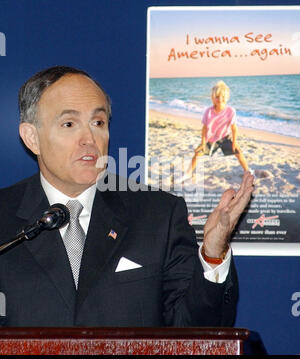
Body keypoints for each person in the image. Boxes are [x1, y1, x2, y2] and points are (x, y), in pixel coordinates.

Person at [0, 66, 254, 327]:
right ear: (32, 138)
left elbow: (195, 332)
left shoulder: (159, 214)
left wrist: (213, 254)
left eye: (98, 122)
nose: (89, 139)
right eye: (69, 124)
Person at [184, 81, 250, 181]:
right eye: (217, 97)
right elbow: (204, 128)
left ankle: (247, 172)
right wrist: (203, 143)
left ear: (227, 97)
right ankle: (188, 173)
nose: (220, 99)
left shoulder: (230, 111)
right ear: (213, 98)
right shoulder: (208, 111)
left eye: (223, 97)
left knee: (238, 152)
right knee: (197, 153)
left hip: (225, 138)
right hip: (211, 139)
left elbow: (234, 128)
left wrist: (235, 142)